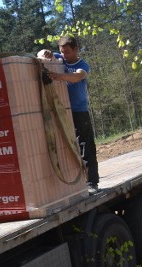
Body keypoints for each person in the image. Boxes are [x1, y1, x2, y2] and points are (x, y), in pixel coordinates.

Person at [38, 36, 99, 195]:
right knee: (66, 143)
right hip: (60, 109)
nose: (64, 55)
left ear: (76, 49)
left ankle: (92, 181)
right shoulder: (58, 58)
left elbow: (78, 76)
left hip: (79, 110)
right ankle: (75, 182)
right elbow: (40, 55)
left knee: (86, 145)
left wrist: (59, 76)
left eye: (67, 52)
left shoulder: (82, 65)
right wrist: (44, 52)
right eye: (61, 51)